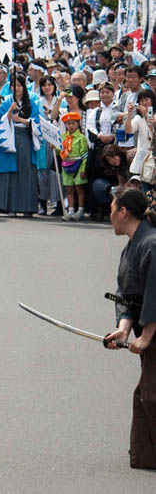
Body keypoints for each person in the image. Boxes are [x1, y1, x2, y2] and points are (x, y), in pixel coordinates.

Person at [104, 187, 156, 469]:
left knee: (151, 396)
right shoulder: (134, 244)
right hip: (146, 330)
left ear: (123, 212)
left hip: (153, 330)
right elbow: (127, 293)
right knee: (146, 395)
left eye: (112, 210)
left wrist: (146, 336)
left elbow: (154, 294)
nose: (109, 215)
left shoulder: (151, 244)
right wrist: (124, 330)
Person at [0, 74, 41, 217]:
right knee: (11, 173)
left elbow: (37, 123)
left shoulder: (31, 103)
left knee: (26, 171)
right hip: (10, 138)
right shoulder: (6, 102)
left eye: (19, 85)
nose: (16, 88)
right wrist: (8, 114)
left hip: (25, 139)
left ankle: (27, 207)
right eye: (14, 86)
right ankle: (10, 206)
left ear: (24, 87)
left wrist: (20, 119)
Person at [60, 111, 89, 221]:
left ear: (77, 124)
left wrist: (83, 168)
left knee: (79, 188)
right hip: (66, 165)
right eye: (68, 124)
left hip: (78, 165)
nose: (70, 126)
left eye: (73, 123)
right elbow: (60, 152)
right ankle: (70, 210)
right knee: (69, 189)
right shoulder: (63, 137)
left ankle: (80, 210)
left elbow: (85, 154)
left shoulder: (81, 138)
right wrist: (55, 147)